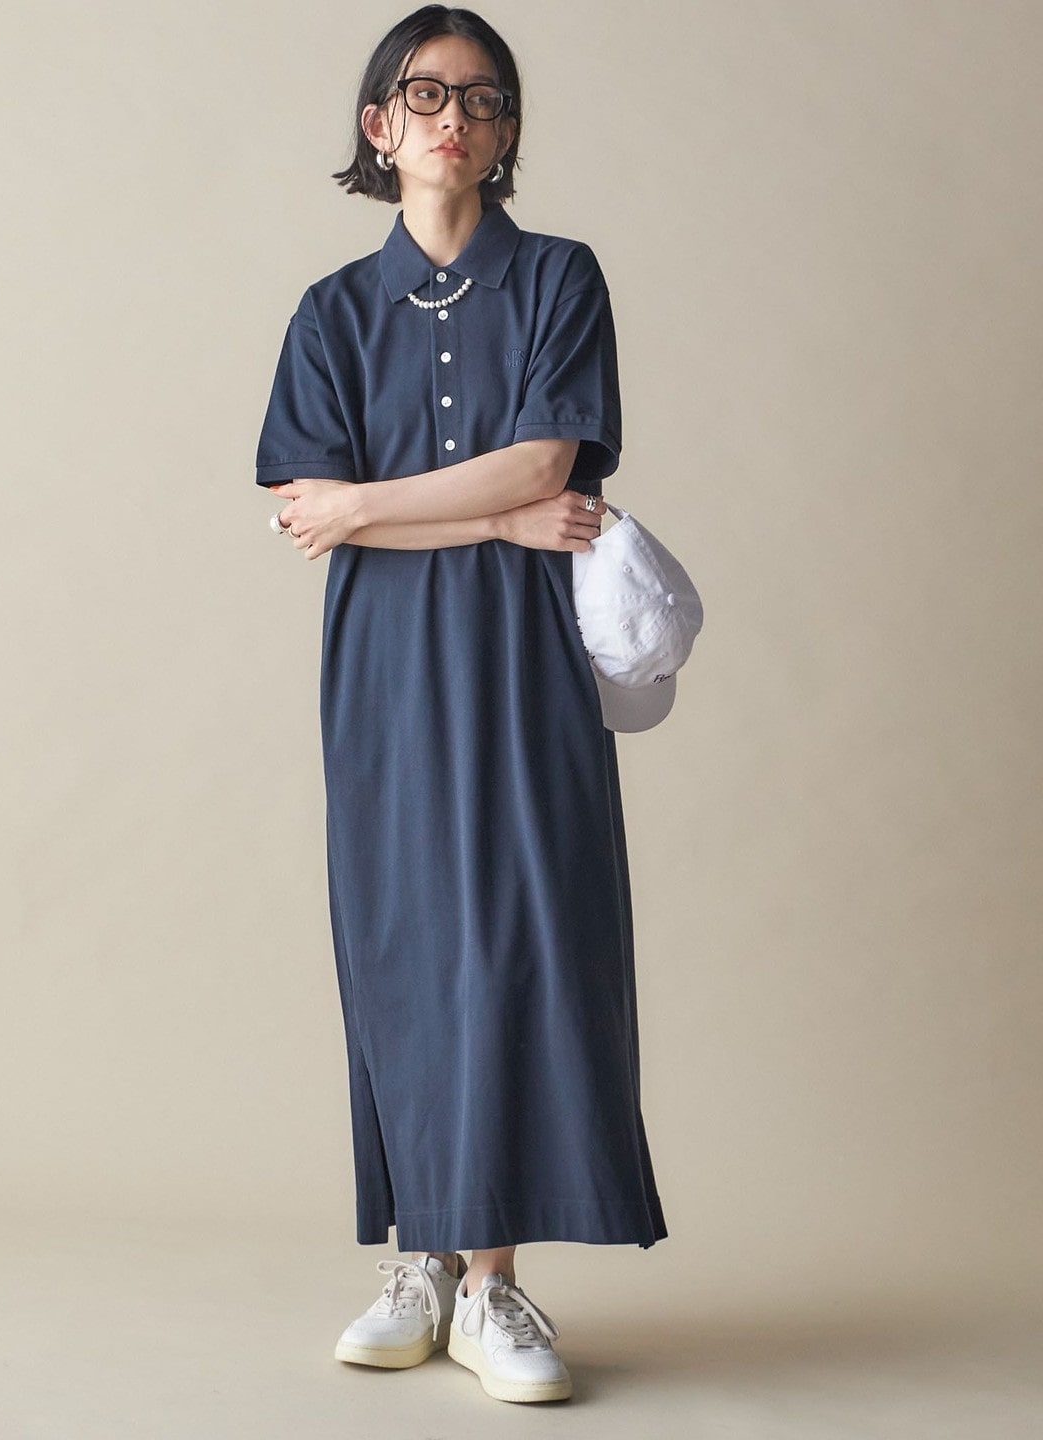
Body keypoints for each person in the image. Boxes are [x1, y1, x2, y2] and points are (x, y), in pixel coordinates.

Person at [255, 4, 667, 1405]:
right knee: (403, 939)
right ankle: (420, 1260)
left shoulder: (557, 278)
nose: (453, 117)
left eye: (482, 98)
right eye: (425, 95)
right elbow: (310, 509)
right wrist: (484, 516)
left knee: (520, 938)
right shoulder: (330, 313)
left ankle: (493, 1283)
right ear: (380, 126)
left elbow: (547, 461)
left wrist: (377, 507)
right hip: (381, 661)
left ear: (507, 133)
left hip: (522, 654)